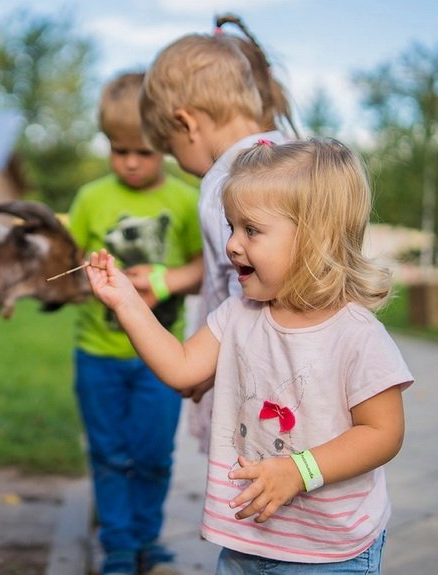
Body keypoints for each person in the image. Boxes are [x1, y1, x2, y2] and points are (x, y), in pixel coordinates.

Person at [85, 138, 413, 574]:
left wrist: (300, 471)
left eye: (251, 230)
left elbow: (383, 432)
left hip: (329, 552)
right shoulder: (239, 313)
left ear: (315, 238)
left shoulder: (356, 335)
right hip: (246, 541)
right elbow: (182, 369)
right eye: (231, 227)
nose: (232, 245)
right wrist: (127, 303)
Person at [67, 71, 203, 575]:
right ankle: (119, 544)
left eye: (143, 152)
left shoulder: (188, 200)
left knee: (153, 454)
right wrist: (99, 280)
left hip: (161, 360)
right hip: (97, 354)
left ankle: (149, 538)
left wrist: (162, 282)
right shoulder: (90, 198)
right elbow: (72, 264)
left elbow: (205, 268)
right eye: (117, 149)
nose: (129, 161)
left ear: (165, 144)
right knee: (107, 452)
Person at [139, 21, 297, 452]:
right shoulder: (297, 155)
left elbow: (241, 296)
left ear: (187, 123)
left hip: (246, 372)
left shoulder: (225, 182)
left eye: (172, 149)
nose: (180, 163)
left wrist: (207, 368)